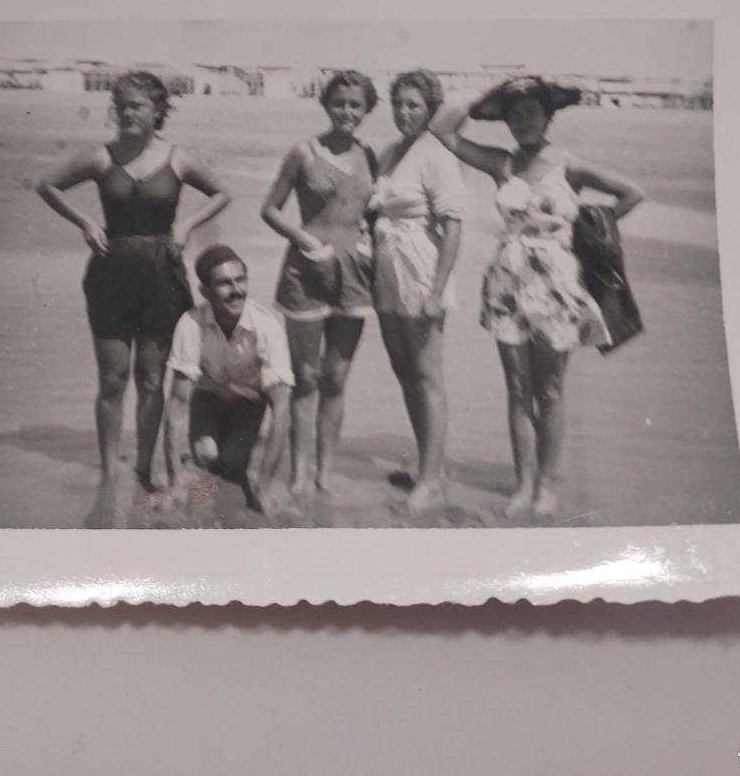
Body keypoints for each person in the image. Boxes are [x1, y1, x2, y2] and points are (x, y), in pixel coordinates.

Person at [430, 77, 646, 518]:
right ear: (506, 121)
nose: (523, 121)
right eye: (515, 114)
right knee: (516, 388)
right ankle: (523, 484)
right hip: (508, 283)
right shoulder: (502, 164)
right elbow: (442, 132)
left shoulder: (568, 164)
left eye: (532, 112)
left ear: (549, 117)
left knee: (549, 389)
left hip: (558, 285)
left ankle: (545, 486)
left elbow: (632, 194)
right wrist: (485, 91)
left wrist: (593, 229)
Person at [35, 71, 230, 518]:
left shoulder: (178, 159)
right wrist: (84, 222)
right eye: (121, 104)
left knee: (150, 379)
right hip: (110, 274)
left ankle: (143, 465)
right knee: (112, 379)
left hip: (163, 275)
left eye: (137, 105)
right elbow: (46, 185)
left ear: (157, 111)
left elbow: (222, 192)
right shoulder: (100, 158)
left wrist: (186, 225)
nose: (126, 113)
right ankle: (108, 469)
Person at [260, 70, 377, 499]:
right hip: (306, 272)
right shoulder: (303, 153)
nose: (347, 111)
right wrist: (307, 241)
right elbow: (269, 209)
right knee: (305, 377)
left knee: (336, 379)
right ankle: (299, 472)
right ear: (326, 105)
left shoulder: (370, 155)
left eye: (356, 105)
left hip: (354, 277)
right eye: (339, 103)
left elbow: (374, 211)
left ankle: (325, 472)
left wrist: (369, 242)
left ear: (366, 110)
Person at [369, 69, 468, 514]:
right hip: (388, 269)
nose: (404, 112)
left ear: (430, 110)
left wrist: (436, 290)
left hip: (422, 271)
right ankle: (433, 470)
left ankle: (429, 483)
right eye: (399, 104)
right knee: (404, 371)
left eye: (414, 105)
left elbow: (453, 226)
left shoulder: (435, 154)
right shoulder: (391, 153)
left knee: (428, 375)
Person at [162, 245, 294, 518]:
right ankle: (197, 463)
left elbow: (281, 410)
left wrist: (264, 487)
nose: (236, 290)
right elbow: (177, 404)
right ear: (205, 292)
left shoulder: (267, 326)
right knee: (207, 457)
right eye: (224, 283)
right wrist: (175, 481)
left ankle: (239, 445)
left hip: (249, 402)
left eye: (240, 280)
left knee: (233, 467)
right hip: (208, 398)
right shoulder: (190, 324)